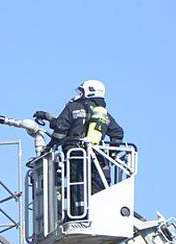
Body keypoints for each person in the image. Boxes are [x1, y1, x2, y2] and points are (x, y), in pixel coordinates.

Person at [33, 79, 125, 218]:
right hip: (96, 158)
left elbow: (61, 129)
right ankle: (98, 215)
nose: (78, 94)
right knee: (97, 188)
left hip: (75, 156)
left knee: (76, 187)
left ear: (89, 91)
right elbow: (117, 133)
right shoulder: (102, 113)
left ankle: (77, 215)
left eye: (81, 91)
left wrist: (49, 148)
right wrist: (111, 155)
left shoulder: (73, 107)